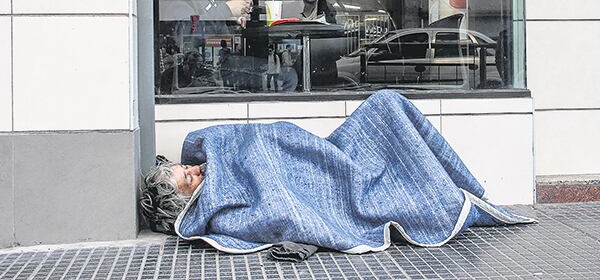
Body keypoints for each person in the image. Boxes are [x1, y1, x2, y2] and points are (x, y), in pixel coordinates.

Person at [140, 90, 534, 256]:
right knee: (399, 170)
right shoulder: (223, 212)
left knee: (386, 104)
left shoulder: (216, 154)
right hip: (337, 188)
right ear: (188, 203)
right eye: (188, 179)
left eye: (185, 167)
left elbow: (259, 140)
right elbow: (284, 210)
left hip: (332, 154)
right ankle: (452, 203)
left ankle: (469, 190)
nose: (194, 169)